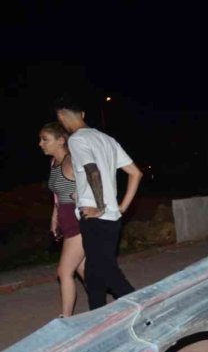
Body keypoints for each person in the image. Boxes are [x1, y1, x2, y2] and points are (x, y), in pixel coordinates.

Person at [55, 97, 143, 310]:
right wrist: (120, 207)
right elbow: (136, 173)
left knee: (109, 273)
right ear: (83, 115)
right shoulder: (107, 139)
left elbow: (92, 170)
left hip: (95, 217)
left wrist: (100, 206)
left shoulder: (76, 140)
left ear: (61, 118)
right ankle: (97, 317)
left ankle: (145, 308)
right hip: (111, 217)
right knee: (94, 274)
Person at [39, 122, 86, 317]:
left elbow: (93, 182)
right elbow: (58, 195)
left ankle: (66, 318)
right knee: (85, 271)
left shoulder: (71, 161)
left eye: (45, 139)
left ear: (60, 140)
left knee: (64, 271)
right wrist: (54, 218)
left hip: (78, 222)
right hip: (65, 221)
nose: (40, 144)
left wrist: (82, 195)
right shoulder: (54, 163)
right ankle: (105, 307)